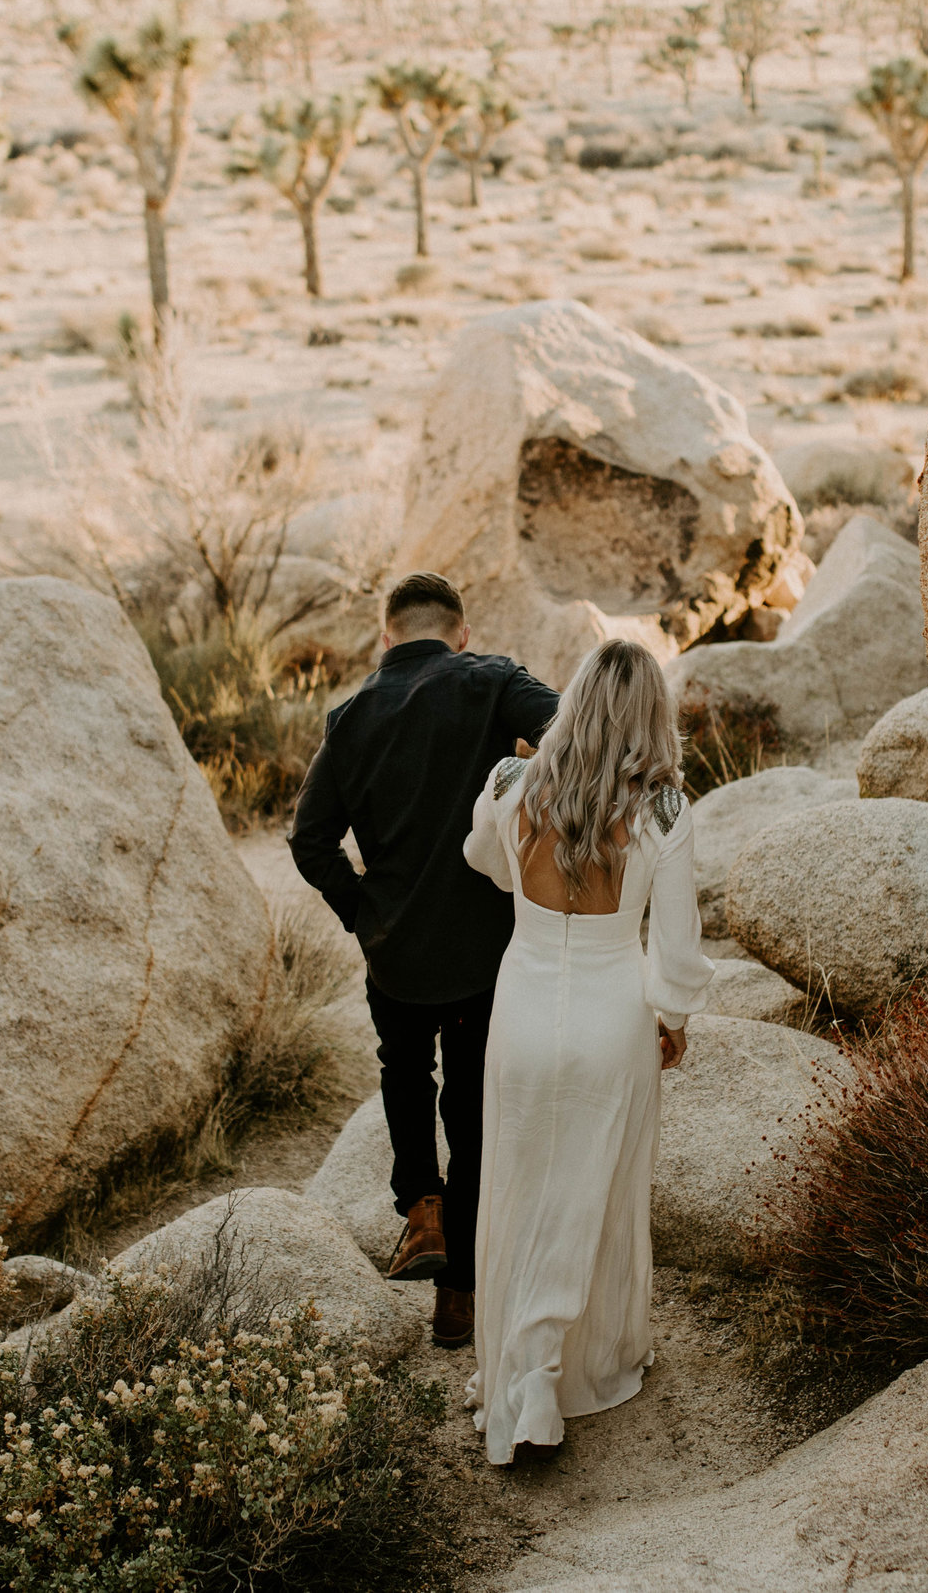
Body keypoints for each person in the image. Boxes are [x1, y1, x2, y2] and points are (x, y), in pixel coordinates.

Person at [289, 571, 562, 1348]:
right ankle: (460, 1296)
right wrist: (520, 790)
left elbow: (308, 840)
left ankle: (421, 1206)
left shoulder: (348, 718)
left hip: (395, 949)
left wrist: (362, 909)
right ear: (460, 630)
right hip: (484, 945)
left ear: (386, 636)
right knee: (472, 1111)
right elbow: (571, 732)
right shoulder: (495, 680)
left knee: (403, 1067)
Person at [459, 638, 714, 1467]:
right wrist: (671, 1014)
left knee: (523, 1184)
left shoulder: (508, 783)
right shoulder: (666, 811)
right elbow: (676, 947)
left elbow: (484, 864)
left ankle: (523, 1368)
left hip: (524, 1007)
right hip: (614, 1016)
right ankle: (569, 1369)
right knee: (595, 1191)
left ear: (570, 702)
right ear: (652, 716)